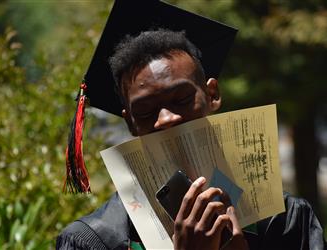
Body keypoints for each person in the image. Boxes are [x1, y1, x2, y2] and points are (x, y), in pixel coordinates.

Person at [57, 0, 326, 249]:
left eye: (182, 99)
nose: (166, 119)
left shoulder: (285, 220)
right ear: (130, 122)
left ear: (212, 95)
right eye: (146, 111)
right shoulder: (94, 240)